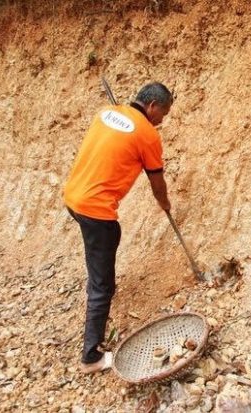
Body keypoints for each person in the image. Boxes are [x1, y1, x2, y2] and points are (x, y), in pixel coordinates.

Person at [63, 82, 174, 373]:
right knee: (103, 285)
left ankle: (98, 286)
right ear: (152, 107)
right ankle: (91, 357)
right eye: (164, 112)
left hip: (73, 198)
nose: (163, 119)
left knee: (101, 258)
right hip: (96, 210)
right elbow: (156, 181)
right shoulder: (148, 134)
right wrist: (165, 204)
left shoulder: (106, 113)